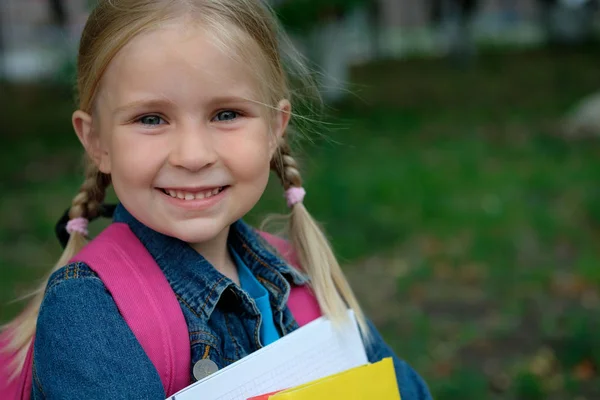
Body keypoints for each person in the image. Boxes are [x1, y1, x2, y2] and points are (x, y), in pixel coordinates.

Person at [2, 1, 432, 398]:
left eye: (226, 114)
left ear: (274, 129)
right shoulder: (89, 313)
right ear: (97, 141)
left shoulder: (301, 276)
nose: (193, 155)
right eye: (151, 119)